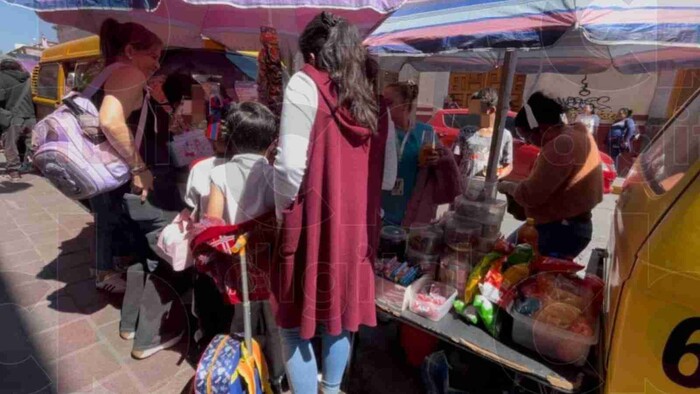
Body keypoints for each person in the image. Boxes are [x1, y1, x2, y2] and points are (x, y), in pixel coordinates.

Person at [272, 12, 390, 394]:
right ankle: (332, 388)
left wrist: (282, 210)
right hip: (357, 228)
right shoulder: (374, 101)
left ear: (310, 52)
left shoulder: (304, 84)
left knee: (292, 324)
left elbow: (290, 166)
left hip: (312, 223)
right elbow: (386, 178)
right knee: (341, 318)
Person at [204, 102, 284, 392]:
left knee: (241, 320)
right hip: (271, 263)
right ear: (272, 142)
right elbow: (282, 218)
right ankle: (277, 376)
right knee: (276, 323)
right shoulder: (275, 174)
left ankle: (241, 371)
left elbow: (213, 223)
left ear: (232, 138)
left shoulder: (220, 173)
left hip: (238, 265)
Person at [88, 18, 163, 292]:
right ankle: (104, 272)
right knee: (108, 217)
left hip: (94, 160)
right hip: (105, 161)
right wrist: (139, 168)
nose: (157, 63)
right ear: (131, 50)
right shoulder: (129, 73)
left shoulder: (107, 71)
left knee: (107, 215)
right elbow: (110, 121)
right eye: (153, 55)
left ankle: (111, 264)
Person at [498, 92, 603, 259]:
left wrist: (505, 186)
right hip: (570, 225)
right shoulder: (578, 133)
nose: (527, 142)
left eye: (526, 136)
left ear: (540, 129)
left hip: (561, 230)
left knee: (509, 264)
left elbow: (530, 195)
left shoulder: (560, 145)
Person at [382, 81, 461, 227]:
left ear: (405, 105)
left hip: (412, 203)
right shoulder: (381, 131)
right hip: (383, 205)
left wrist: (438, 160)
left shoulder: (424, 131)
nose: (383, 107)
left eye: (389, 103)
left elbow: (441, 164)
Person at [453, 87, 513, 184]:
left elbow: (508, 165)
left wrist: (497, 174)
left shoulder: (504, 135)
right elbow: (455, 159)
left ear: (491, 110)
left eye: (479, 108)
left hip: (488, 188)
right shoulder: (466, 132)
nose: (474, 112)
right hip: (464, 187)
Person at [0, 58, 36, 179]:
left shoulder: (1, 78)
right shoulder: (28, 78)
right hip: (31, 117)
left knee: (10, 145)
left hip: (13, 118)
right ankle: (29, 165)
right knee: (29, 144)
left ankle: (14, 171)